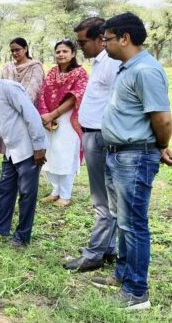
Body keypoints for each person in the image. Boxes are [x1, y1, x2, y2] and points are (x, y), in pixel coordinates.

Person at [90, 12, 172, 310]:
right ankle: (123, 276)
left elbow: (163, 119)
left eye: (108, 39)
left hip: (134, 157)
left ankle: (137, 292)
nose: (104, 44)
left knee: (133, 224)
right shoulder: (128, 68)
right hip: (119, 154)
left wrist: (160, 145)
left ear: (124, 39)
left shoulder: (145, 71)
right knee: (124, 221)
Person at [63, 17, 121, 272]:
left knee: (103, 200)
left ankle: (95, 253)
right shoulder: (99, 62)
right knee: (106, 197)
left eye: (82, 41)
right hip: (93, 135)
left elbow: (118, 103)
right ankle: (108, 248)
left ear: (100, 38)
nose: (80, 47)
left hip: (101, 137)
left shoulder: (111, 64)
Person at [0, 58, 47, 247]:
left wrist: (39, 147)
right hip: (11, 151)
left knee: (27, 194)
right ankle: (1, 227)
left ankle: (22, 236)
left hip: (28, 150)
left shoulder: (9, 89)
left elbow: (31, 116)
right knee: (6, 190)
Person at [38, 39, 88, 208]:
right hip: (49, 121)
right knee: (51, 155)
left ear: (73, 53)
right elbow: (43, 94)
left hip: (68, 119)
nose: (61, 54)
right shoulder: (52, 72)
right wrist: (45, 116)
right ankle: (55, 191)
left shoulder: (80, 73)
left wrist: (54, 114)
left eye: (65, 51)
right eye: (58, 51)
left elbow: (75, 97)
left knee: (65, 156)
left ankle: (65, 195)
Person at [1, 37, 44, 105]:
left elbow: (33, 92)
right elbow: (3, 90)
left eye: (17, 50)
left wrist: (19, 105)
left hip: (29, 108)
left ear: (25, 49)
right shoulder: (7, 67)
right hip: (9, 108)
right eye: (12, 51)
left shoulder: (35, 67)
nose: (14, 53)